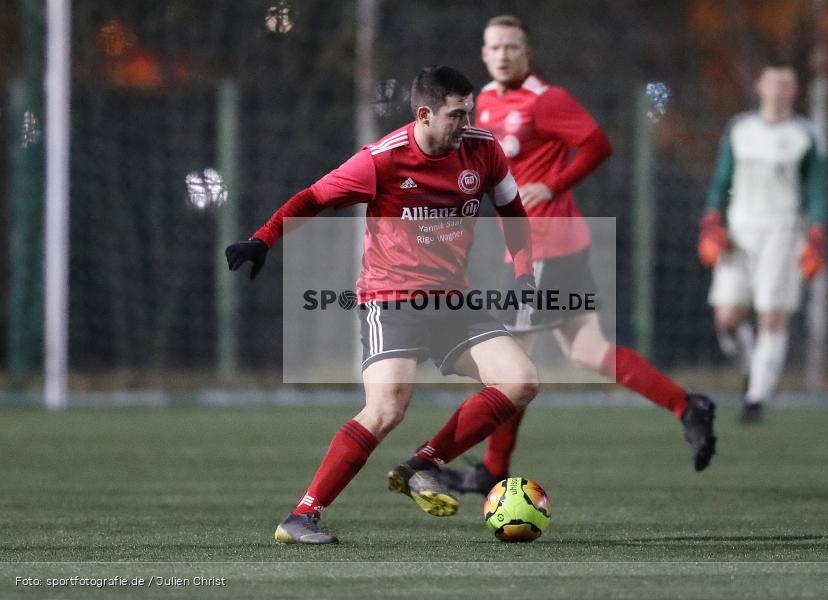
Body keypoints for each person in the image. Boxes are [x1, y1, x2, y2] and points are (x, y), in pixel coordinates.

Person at [226, 66, 541, 544]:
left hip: (453, 300)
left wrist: (522, 271)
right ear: (424, 114)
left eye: (469, 112)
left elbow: (515, 217)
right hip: (391, 300)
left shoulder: (484, 149)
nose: (466, 122)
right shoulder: (382, 160)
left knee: (521, 380)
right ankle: (302, 516)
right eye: (456, 114)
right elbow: (313, 198)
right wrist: (263, 239)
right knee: (386, 408)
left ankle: (423, 464)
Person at [437, 15, 717, 497]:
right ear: (484, 54)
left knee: (510, 363)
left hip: (546, 244)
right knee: (587, 351)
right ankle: (688, 406)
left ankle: (492, 469)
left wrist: (554, 183)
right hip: (542, 245)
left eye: (512, 46)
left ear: (528, 51)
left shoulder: (548, 100)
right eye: (495, 47)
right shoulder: (482, 102)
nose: (503, 54)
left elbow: (596, 144)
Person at [700, 64, 827, 424]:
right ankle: (751, 365)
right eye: (773, 83)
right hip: (740, 230)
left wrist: (816, 232)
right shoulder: (741, 129)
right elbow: (722, 177)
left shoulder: (805, 134)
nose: (778, 90)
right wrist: (712, 217)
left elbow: (817, 188)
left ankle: (755, 399)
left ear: (795, 90)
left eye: (786, 84)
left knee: (772, 315)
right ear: (759, 86)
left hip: (783, 230)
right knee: (727, 318)